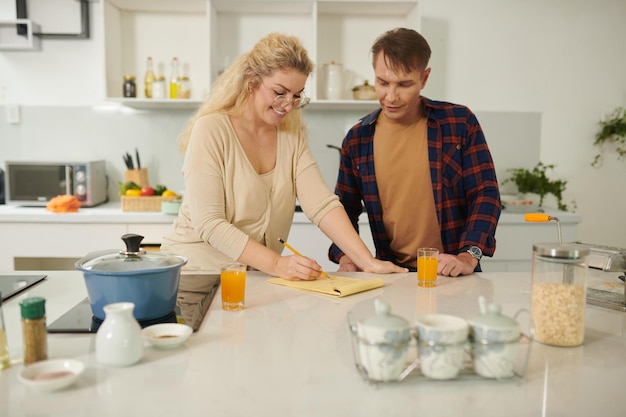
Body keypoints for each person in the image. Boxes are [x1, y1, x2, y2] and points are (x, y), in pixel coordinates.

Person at [161, 33, 406, 291]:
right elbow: (209, 223)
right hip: (195, 276)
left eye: (297, 95)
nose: (288, 105)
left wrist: (367, 261)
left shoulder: (290, 135)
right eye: (280, 92)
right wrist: (278, 264)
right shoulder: (211, 129)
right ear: (251, 81)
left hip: (250, 279)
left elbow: (321, 204)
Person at [329, 28, 501, 277]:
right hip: (392, 274)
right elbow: (344, 209)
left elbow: (485, 193)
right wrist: (346, 255)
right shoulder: (358, 139)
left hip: (451, 271)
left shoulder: (459, 123)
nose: (391, 96)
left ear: (424, 78)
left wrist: (468, 255)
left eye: (404, 84)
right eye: (383, 82)